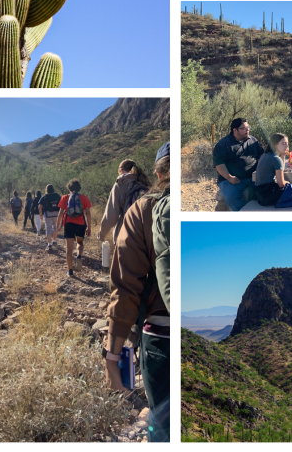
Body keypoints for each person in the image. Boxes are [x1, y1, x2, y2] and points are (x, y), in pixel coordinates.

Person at [106, 143, 169, 442]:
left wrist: (112, 356)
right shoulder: (146, 191)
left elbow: (126, 287)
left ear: (159, 172)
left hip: (162, 335)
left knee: (164, 425)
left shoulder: (142, 204)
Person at [99, 159, 151, 257]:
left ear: (121, 170)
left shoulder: (121, 183)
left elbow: (111, 215)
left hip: (126, 234)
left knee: (125, 269)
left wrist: (102, 234)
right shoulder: (145, 183)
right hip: (146, 236)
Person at [213, 118, 266, 211]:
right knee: (231, 197)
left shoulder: (253, 140)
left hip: (253, 177)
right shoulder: (223, 144)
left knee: (268, 189)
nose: (248, 130)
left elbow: (262, 155)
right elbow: (219, 164)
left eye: (248, 127)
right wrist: (229, 177)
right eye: (244, 128)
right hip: (231, 179)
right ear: (235, 130)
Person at [57, 179, 92, 277]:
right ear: (79, 188)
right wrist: (89, 227)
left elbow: (60, 212)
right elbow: (88, 213)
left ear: (69, 188)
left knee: (69, 248)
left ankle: (70, 270)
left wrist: (58, 224)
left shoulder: (65, 197)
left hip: (68, 224)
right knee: (79, 242)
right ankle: (79, 256)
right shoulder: (84, 198)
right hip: (80, 224)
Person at [255, 133, 289, 206]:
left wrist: (282, 156)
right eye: (283, 143)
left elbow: (280, 168)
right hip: (268, 196)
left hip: (260, 193)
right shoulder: (276, 159)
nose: (287, 146)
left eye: (287, 143)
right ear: (275, 145)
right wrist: (289, 183)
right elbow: (281, 184)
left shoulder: (266, 154)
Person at [38, 184, 62, 251]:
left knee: (48, 229)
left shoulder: (44, 196)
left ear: (46, 190)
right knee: (55, 228)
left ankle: (49, 244)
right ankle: (54, 240)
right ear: (53, 189)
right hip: (57, 214)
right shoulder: (57, 195)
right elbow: (62, 204)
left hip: (47, 214)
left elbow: (39, 206)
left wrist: (41, 214)